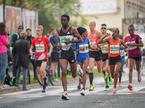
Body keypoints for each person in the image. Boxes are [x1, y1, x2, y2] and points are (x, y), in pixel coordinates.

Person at [57, 14, 82, 100]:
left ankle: (78, 69)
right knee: (63, 71)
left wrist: (71, 41)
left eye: (64, 20)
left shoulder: (72, 30)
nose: (62, 22)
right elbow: (59, 41)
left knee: (74, 75)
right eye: (61, 20)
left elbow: (80, 39)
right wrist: (58, 45)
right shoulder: (59, 30)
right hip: (63, 53)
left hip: (71, 52)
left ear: (68, 21)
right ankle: (65, 92)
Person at [98, 28, 127, 94]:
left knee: (116, 72)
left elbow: (126, 46)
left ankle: (114, 87)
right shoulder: (109, 39)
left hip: (118, 58)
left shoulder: (120, 41)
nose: (114, 34)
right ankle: (113, 79)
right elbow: (99, 42)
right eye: (113, 32)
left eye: (116, 33)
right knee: (113, 75)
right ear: (112, 33)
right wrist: (105, 35)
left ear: (118, 34)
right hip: (111, 58)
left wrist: (124, 48)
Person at [30, 25, 52, 93]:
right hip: (37, 58)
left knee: (42, 70)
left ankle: (44, 86)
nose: (37, 32)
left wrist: (49, 52)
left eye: (39, 31)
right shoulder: (34, 40)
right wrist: (30, 51)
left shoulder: (45, 39)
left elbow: (51, 46)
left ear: (42, 31)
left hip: (44, 57)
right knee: (40, 72)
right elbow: (31, 47)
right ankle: (45, 81)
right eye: (36, 31)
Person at [124, 24, 144, 91]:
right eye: (129, 30)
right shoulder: (126, 38)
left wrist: (134, 44)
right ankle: (130, 84)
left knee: (138, 68)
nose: (130, 32)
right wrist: (125, 48)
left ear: (134, 30)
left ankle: (139, 74)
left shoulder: (137, 36)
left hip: (137, 55)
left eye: (131, 30)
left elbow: (142, 44)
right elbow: (124, 46)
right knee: (130, 69)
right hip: (130, 55)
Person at [76, 27, 91, 96]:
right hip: (79, 57)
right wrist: (78, 50)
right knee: (80, 72)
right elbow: (75, 49)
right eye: (86, 32)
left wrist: (95, 48)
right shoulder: (77, 40)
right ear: (82, 33)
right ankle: (79, 83)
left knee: (84, 72)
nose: (87, 33)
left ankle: (83, 88)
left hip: (86, 57)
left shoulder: (87, 39)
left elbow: (89, 47)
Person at [88, 21, 102, 91]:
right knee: (90, 68)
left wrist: (99, 46)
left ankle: (107, 76)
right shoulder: (87, 34)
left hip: (98, 52)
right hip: (91, 52)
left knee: (100, 70)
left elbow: (103, 41)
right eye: (89, 26)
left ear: (94, 26)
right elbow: (87, 44)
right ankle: (91, 85)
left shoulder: (98, 33)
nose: (90, 27)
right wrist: (90, 47)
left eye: (92, 25)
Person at [99, 24, 112, 91]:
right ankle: (106, 84)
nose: (103, 29)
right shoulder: (99, 36)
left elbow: (110, 42)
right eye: (102, 28)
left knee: (107, 68)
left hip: (107, 54)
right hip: (101, 54)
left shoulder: (109, 36)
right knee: (103, 70)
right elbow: (97, 43)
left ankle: (109, 76)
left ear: (106, 29)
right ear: (100, 29)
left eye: (104, 28)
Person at [0, 22, 9, 89]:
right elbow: (7, 43)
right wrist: (7, 35)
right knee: (3, 68)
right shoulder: (2, 35)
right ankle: (1, 84)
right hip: (2, 52)